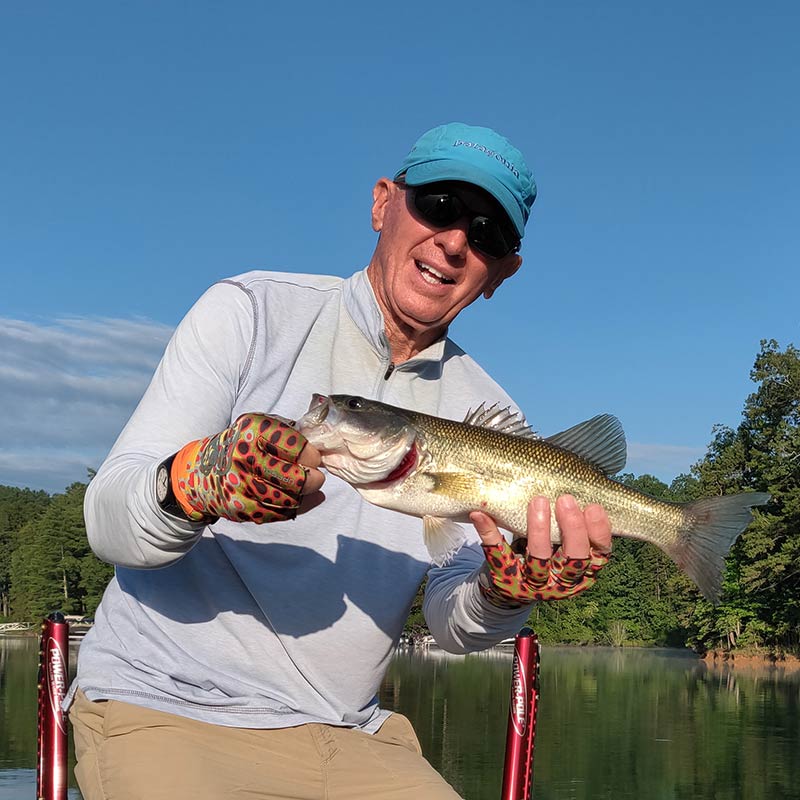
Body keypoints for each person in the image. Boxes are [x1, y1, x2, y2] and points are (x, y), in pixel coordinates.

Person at [68, 122, 613, 800]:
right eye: (440, 206)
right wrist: (197, 480)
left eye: (487, 235)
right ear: (384, 203)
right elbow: (108, 522)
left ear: (503, 272)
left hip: (354, 734)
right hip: (169, 711)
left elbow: (454, 621)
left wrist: (506, 591)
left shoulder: (493, 414)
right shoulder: (250, 312)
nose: (454, 240)